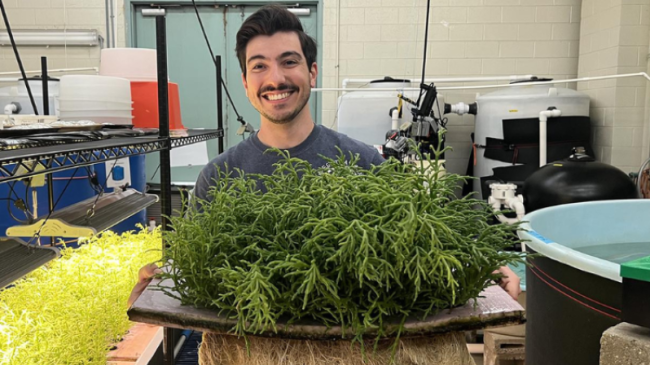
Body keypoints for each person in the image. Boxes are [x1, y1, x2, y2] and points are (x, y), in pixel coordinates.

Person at [128, 4, 520, 308]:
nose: (276, 78)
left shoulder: (364, 163)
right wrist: (156, 291)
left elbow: (410, 260)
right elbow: (196, 277)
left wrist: (473, 272)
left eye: (289, 61)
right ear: (246, 83)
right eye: (259, 66)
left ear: (312, 73)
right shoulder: (218, 176)